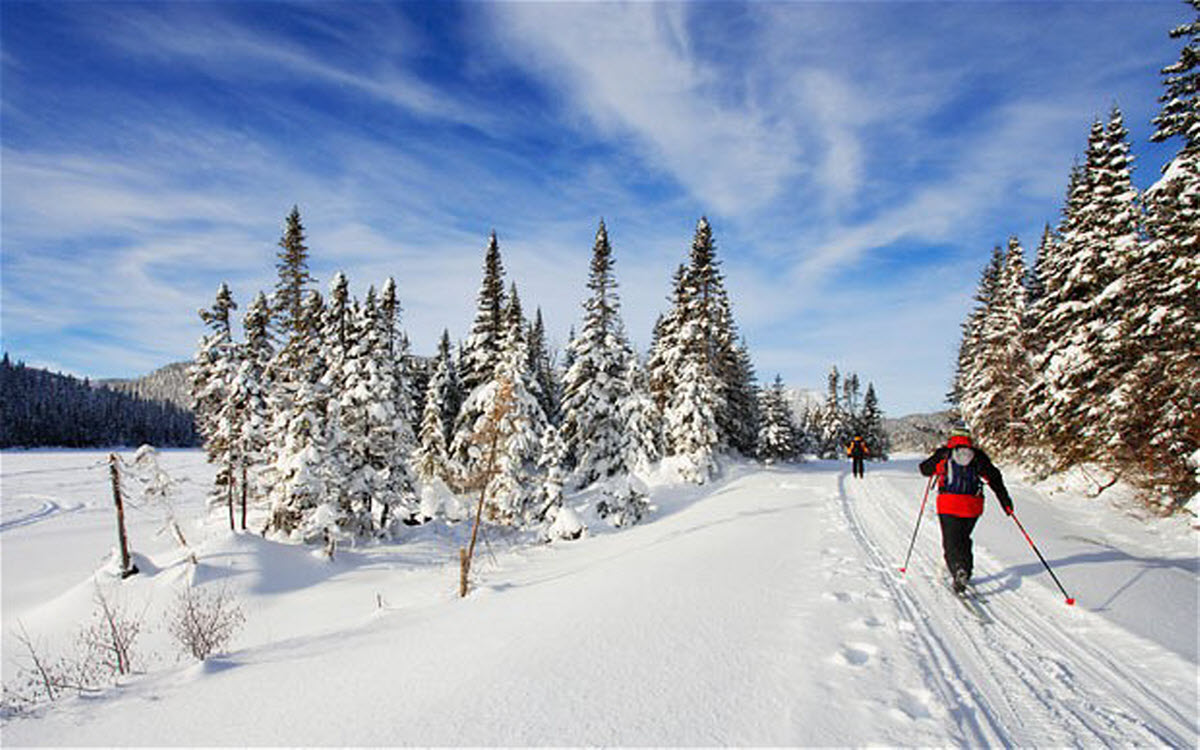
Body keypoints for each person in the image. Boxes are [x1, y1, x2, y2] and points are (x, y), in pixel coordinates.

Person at [919, 428, 1013, 594]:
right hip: (973, 506)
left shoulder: (945, 453)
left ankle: (958, 569)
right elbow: (994, 478)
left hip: (948, 504)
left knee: (951, 542)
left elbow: (924, 469)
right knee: (964, 538)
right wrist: (1005, 502)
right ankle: (966, 571)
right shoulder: (977, 455)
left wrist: (936, 463)